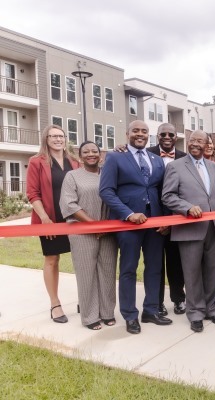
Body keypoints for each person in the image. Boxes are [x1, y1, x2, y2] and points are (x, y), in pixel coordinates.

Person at [99, 120, 172, 334]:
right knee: (129, 269)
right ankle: (130, 315)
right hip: (128, 224)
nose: (140, 134)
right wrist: (129, 214)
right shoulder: (115, 157)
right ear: (127, 133)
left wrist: (166, 219)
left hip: (155, 224)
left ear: (149, 135)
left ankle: (151, 310)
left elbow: (163, 193)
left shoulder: (157, 160)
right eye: (135, 131)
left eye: (144, 131)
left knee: (155, 268)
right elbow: (106, 191)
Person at [162, 130, 215, 333]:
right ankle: (196, 313)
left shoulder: (214, 168)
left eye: (200, 140)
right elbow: (168, 196)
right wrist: (187, 207)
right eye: (192, 140)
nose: (195, 143)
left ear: (207, 144)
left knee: (214, 271)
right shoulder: (175, 167)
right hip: (190, 228)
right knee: (192, 273)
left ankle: (212, 310)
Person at [59, 141, 117, 330]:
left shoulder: (108, 174)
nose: (91, 154)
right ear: (80, 156)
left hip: (108, 232)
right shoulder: (72, 176)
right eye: (86, 151)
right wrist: (93, 225)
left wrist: (103, 226)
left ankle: (107, 312)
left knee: (108, 272)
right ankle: (90, 316)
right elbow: (69, 204)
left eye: (94, 151)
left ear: (100, 155)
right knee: (86, 274)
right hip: (82, 231)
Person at [26, 124, 79, 324]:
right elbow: (32, 193)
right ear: (46, 139)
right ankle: (55, 304)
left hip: (74, 218)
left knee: (82, 259)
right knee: (52, 259)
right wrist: (44, 218)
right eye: (53, 136)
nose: (58, 139)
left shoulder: (74, 161)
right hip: (50, 219)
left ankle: (85, 298)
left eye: (61, 136)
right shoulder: (36, 162)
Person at [147, 123, 187, 317]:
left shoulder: (184, 157)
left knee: (176, 262)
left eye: (171, 134)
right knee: (155, 263)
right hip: (153, 217)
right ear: (157, 135)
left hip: (176, 216)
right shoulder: (146, 153)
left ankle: (179, 299)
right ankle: (157, 302)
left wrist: (172, 219)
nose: (167, 137)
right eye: (163, 134)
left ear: (176, 136)